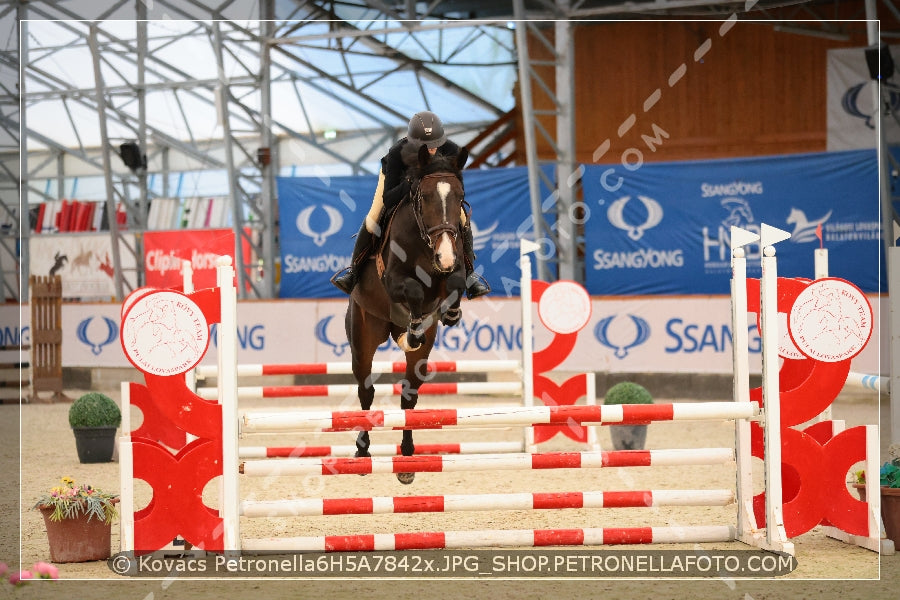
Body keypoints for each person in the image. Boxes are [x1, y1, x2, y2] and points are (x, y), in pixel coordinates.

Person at [331, 111, 491, 299]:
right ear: (413, 141)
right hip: (399, 185)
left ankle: (470, 275)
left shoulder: (451, 150)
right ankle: (354, 272)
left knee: (463, 219)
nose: (432, 149)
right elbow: (390, 198)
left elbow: (456, 189)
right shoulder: (396, 153)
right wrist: (411, 184)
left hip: (436, 194)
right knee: (374, 217)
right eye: (426, 145)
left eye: (435, 144)